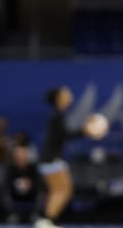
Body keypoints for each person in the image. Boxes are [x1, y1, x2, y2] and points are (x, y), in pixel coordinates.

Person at [35, 86, 102, 228]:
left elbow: (63, 135)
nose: (70, 95)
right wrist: (86, 130)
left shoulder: (59, 115)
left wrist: (85, 130)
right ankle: (46, 220)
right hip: (51, 158)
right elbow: (65, 135)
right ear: (59, 97)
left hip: (51, 157)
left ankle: (47, 220)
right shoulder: (57, 116)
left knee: (59, 190)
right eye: (66, 93)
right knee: (63, 190)